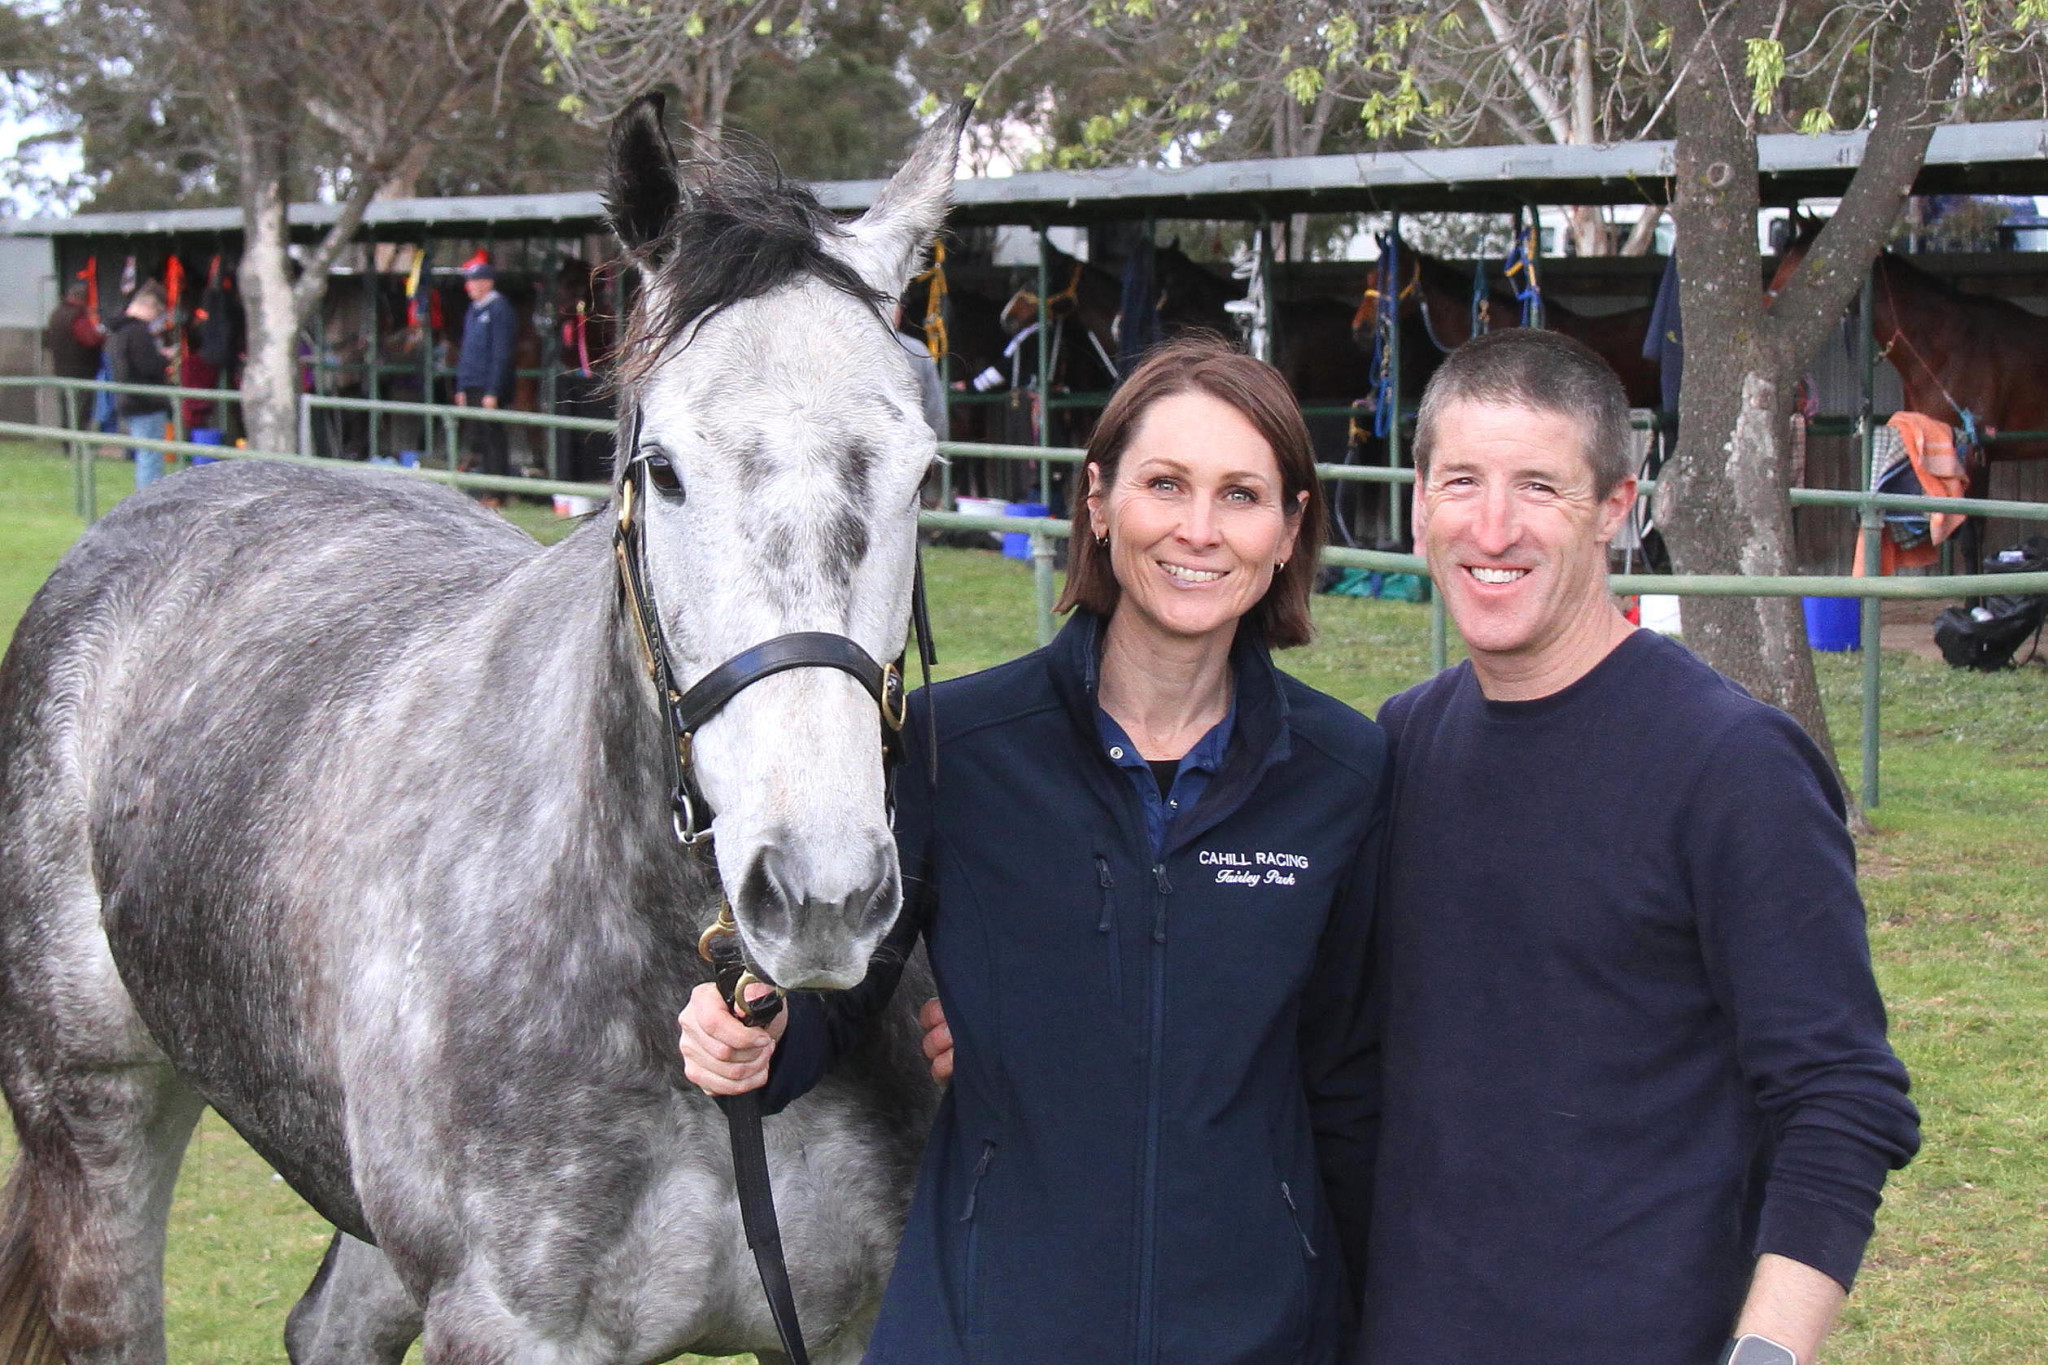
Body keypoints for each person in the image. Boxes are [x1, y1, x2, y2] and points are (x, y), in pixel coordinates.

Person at [679, 334, 1388, 1365]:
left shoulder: (1341, 772)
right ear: (1097, 502)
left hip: (1257, 1331)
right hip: (987, 1324)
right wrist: (759, 1036)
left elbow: (1346, 1081)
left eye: (1241, 494)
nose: (1198, 529)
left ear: (1288, 530)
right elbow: (844, 994)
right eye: (1163, 483)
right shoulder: (947, 746)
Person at [1359, 328, 1919, 1365]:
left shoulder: (1730, 765)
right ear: (1416, 504)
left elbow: (1838, 1097)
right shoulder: (1397, 745)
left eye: (1538, 486)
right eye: (1459, 482)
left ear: (1615, 509)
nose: (1492, 525)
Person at [454, 259, 518, 492]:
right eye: (468, 282)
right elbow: (467, 350)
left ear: (487, 283)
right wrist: (461, 386)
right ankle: (481, 487)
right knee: (477, 435)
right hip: (472, 383)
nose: (469, 286)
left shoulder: (500, 309)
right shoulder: (473, 310)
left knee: (493, 437)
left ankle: (497, 491)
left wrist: (493, 390)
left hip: (488, 386)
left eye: (474, 281)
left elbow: (501, 353)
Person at [104, 283, 173, 490]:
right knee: (150, 456)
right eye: (158, 312)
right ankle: (148, 500)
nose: (156, 318)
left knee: (146, 454)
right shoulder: (138, 332)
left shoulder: (117, 331)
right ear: (151, 307)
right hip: (146, 402)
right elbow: (147, 366)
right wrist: (164, 359)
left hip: (128, 399)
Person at [43, 280, 104, 423]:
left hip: (61, 369)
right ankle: (76, 443)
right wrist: (104, 337)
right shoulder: (77, 317)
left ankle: (68, 443)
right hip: (80, 372)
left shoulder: (56, 313)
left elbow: (47, 341)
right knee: (80, 413)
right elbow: (91, 340)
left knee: (66, 411)